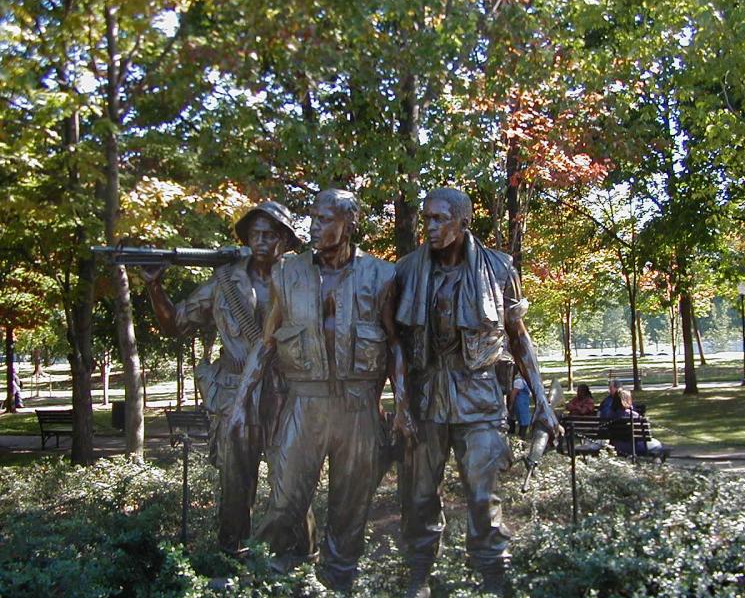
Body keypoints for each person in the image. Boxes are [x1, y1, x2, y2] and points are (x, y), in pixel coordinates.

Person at [230, 189, 412, 591]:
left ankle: (337, 582)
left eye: (325, 219)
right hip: (305, 403)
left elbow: (395, 344)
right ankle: (267, 577)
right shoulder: (286, 273)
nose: (314, 226)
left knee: (350, 511)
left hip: (359, 406)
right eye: (312, 217)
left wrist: (401, 407)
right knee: (285, 501)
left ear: (350, 223)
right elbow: (267, 343)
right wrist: (241, 404)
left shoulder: (381, 275)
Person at [395, 187, 558, 597]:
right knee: (418, 498)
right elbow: (392, 344)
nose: (429, 227)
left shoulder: (499, 269)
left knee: (484, 499)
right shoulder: (406, 270)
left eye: (439, 219)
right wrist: (398, 403)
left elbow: (518, 339)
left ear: (463, 221)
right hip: (426, 396)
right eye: (426, 218)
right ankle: (418, 576)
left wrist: (541, 399)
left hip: (479, 397)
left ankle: (494, 579)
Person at [142, 201, 306, 555]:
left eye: (270, 234)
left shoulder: (301, 279)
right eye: (255, 233)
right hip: (235, 396)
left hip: (286, 394)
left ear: (285, 240)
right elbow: (175, 324)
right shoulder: (224, 282)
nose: (261, 240)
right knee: (234, 488)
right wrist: (155, 286)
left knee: (292, 483)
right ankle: (232, 559)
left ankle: (302, 560)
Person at [607, 389, 662, 456]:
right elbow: (641, 433)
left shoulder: (610, 414)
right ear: (627, 400)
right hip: (633, 447)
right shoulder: (633, 415)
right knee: (658, 445)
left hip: (616, 446)